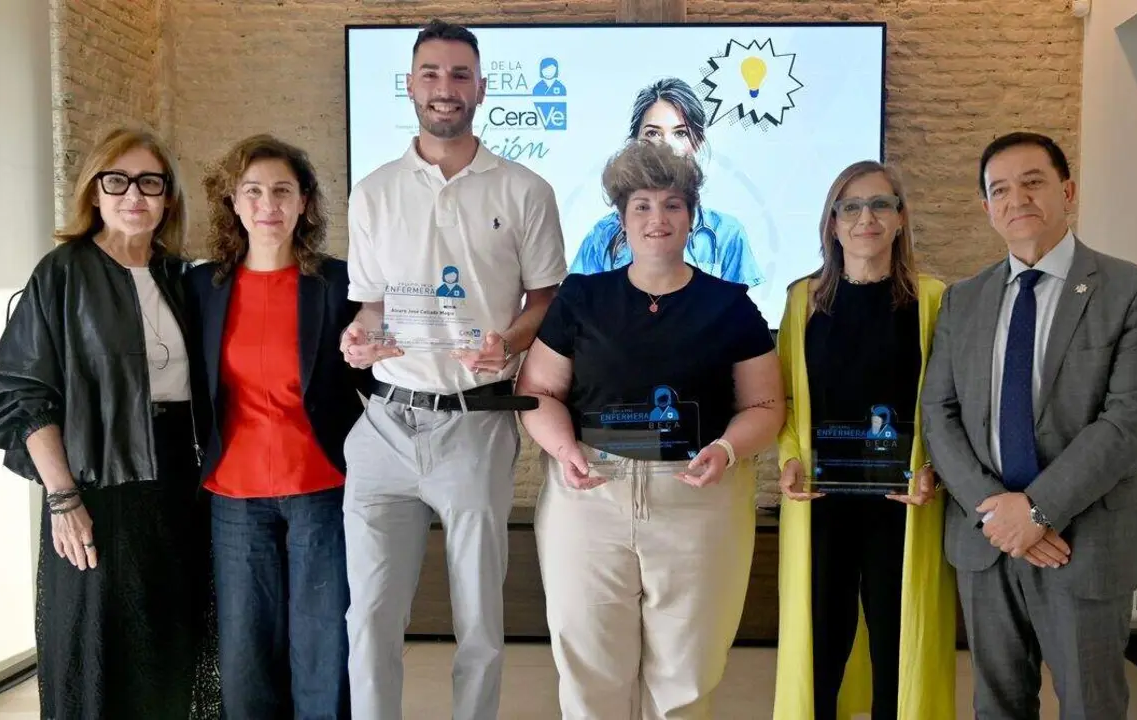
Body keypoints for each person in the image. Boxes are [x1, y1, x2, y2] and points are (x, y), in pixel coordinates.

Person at [338, 19, 567, 720]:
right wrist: (357, 340)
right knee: (370, 616)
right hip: (383, 423)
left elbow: (547, 298)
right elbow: (373, 309)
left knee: (478, 619)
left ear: (482, 88)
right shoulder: (373, 192)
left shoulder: (525, 189)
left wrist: (513, 342)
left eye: (459, 74)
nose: (445, 88)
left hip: (476, 423)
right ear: (409, 85)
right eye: (431, 74)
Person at [515, 139, 782, 719]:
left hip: (698, 499)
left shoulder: (731, 306)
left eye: (672, 205)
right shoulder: (582, 298)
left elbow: (765, 405)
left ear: (692, 216)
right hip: (589, 495)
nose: (657, 219)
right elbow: (538, 391)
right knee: (589, 668)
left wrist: (728, 449)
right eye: (642, 205)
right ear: (621, 218)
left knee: (686, 674)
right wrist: (563, 448)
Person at [921, 132, 1137, 720]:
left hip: (1084, 541)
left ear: (1067, 190)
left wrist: (1035, 512)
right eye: (999, 190)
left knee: (1091, 705)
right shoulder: (964, 300)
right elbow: (939, 413)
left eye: (1032, 182)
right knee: (997, 705)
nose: (1017, 199)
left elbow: (1128, 419)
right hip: (988, 541)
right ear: (987, 209)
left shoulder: (1135, 291)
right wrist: (996, 510)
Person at [0, 127, 218, 720]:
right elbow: (24, 393)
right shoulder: (62, 272)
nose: (133, 194)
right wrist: (63, 498)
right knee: (95, 646)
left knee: (170, 642)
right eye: (117, 180)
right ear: (95, 191)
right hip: (95, 486)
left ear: (168, 197)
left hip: (177, 486)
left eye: (149, 183)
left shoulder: (181, 277)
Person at [184, 134, 369, 719]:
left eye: (283, 191)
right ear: (234, 204)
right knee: (246, 654)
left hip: (321, 489)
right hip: (233, 496)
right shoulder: (201, 287)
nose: (268, 204)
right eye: (254, 191)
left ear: (305, 203)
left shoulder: (339, 283)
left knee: (322, 647)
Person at [774, 161, 956, 720]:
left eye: (880, 204)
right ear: (832, 224)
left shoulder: (934, 301)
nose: (865, 218)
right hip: (821, 503)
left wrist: (936, 470)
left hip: (902, 503)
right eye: (850, 207)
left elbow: (951, 404)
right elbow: (784, 400)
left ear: (901, 218)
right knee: (821, 640)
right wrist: (788, 461)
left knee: (895, 641)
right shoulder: (802, 300)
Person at [569, 77, 764, 287]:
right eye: (653, 133)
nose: (666, 145)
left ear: (697, 142)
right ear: (634, 141)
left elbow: (736, 313)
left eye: (680, 133)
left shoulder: (727, 233)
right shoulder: (602, 235)